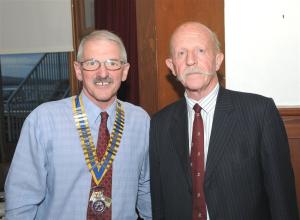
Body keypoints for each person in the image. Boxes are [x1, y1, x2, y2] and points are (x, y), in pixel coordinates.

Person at [149, 21, 299, 220]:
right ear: (172, 66)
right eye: (181, 53)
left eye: (200, 50)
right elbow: (159, 204)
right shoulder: (160, 124)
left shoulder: (259, 113)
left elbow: (282, 202)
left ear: (218, 61)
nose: (191, 61)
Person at [5, 30, 152, 220]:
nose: (103, 73)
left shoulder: (141, 121)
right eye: (92, 63)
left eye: (112, 63)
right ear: (78, 70)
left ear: (124, 71)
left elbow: (147, 191)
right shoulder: (43, 121)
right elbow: (20, 200)